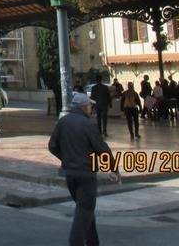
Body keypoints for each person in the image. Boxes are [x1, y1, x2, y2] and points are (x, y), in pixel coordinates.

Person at [49, 92, 120, 246]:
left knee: (85, 209)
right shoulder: (88, 124)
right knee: (84, 210)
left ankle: (93, 242)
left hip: (70, 174)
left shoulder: (63, 122)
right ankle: (75, 242)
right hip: (86, 174)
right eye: (90, 105)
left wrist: (66, 159)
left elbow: (52, 146)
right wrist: (114, 169)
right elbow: (103, 150)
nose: (91, 108)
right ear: (84, 107)